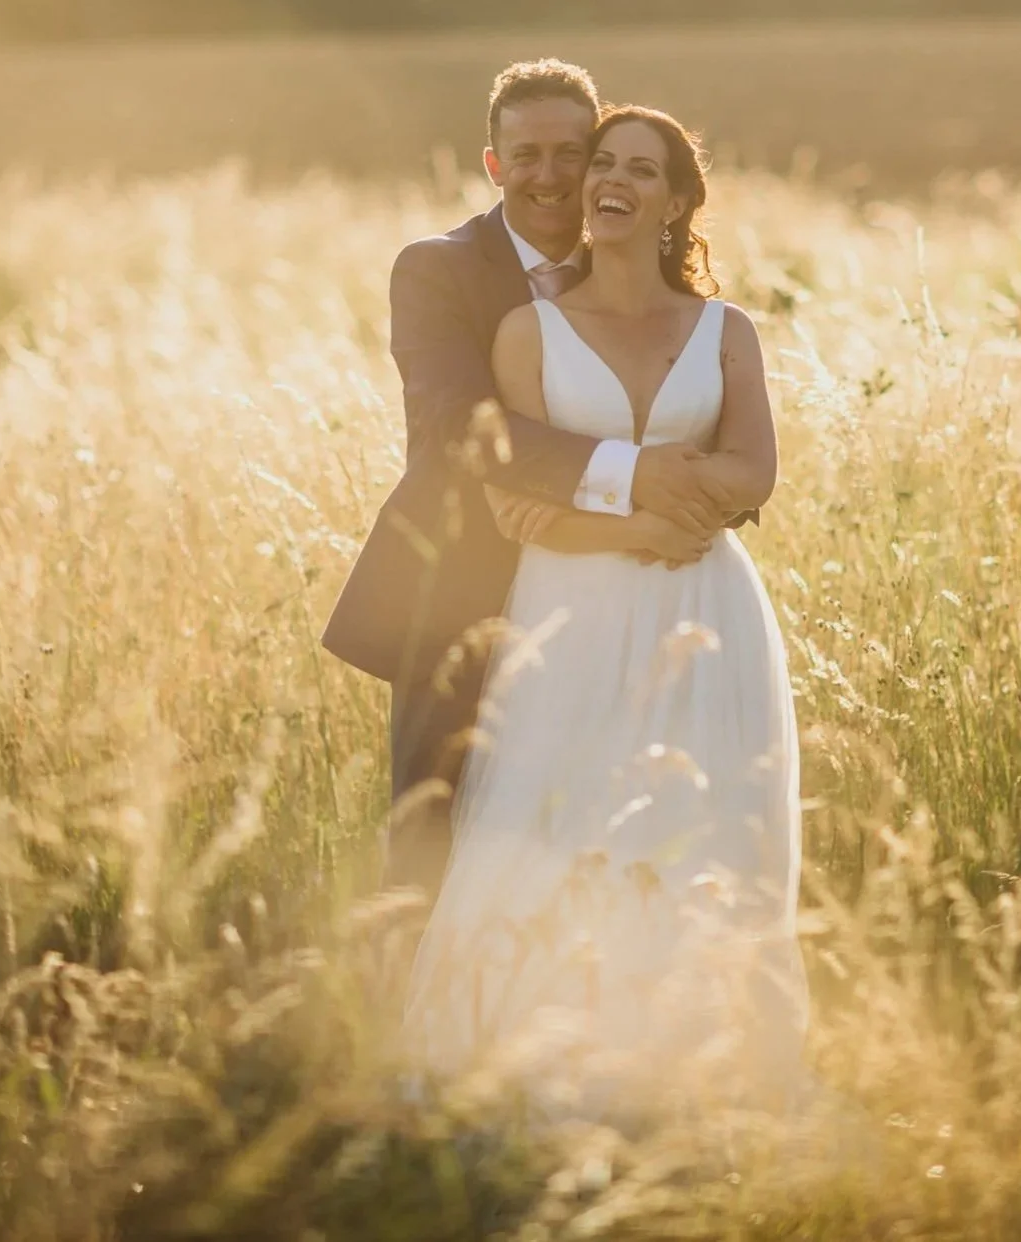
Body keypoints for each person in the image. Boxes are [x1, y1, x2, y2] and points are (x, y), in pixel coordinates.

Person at [400, 105, 806, 1123]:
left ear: (675, 202)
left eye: (638, 168)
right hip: (569, 606)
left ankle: (693, 1070)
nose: (609, 180)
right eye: (603, 164)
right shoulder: (522, 331)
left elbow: (752, 469)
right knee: (552, 816)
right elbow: (511, 502)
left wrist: (668, 509)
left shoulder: (727, 331)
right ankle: (536, 1068)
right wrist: (643, 526)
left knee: (701, 825)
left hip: (707, 606)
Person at [320, 60, 741, 895]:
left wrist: (696, 493)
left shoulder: (630, 272)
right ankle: (411, 1023)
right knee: (438, 844)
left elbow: (702, 414)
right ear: (493, 163)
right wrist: (637, 476)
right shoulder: (436, 269)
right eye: (526, 155)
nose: (548, 176)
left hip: (617, 601)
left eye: (569, 153)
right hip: (460, 601)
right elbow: (457, 429)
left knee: (605, 833)